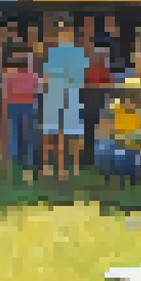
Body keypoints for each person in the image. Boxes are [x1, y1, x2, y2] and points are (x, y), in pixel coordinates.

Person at [41, 20, 88, 180]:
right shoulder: (54, 52)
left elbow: (80, 78)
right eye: (61, 32)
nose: (63, 35)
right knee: (55, 131)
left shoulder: (77, 53)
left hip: (69, 92)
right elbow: (46, 76)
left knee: (70, 132)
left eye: (65, 32)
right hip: (57, 92)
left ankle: (71, 167)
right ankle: (54, 166)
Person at [2, 48, 40, 170]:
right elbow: (37, 92)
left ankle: (17, 157)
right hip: (27, 105)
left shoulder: (11, 76)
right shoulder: (33, 76)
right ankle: (26, 158)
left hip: (15, 104)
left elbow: (6, 93)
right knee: (27, 132)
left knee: (16, 131)